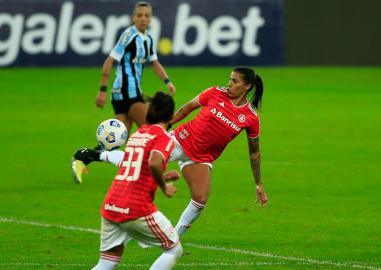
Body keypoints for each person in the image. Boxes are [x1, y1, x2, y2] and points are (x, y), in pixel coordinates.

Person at [81, 67, 268, 237]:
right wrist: (164, 128)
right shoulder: (214, 93)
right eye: (230, 79)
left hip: (202, 157)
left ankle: (174, 236)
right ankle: (97, 155)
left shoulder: (251, 117)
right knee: (142, 163)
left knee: (200, 200)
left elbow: (254, 153)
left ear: (247, 86)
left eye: (235, 81)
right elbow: (187, 108)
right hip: (180, 140)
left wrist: (258, 183)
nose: (229, 83)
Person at [74, 92, 182, 270]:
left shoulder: (138, 134)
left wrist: (162, 176)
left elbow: (134, 167)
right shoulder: (163, 138)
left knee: (107, 262)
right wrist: (164, 187)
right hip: (136, 208)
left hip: (111, 205)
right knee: (173, 250)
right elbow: (154, 161)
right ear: (171, 116)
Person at [72, 1, 176, 184]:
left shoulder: (148, 38)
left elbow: (155, 63)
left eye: (146, 16)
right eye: (139, 15)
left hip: (131, 92)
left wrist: (167, 81)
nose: (143, 19)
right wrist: (102, 90)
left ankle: (82, 158)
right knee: (154, 129)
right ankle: (152, 175)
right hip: (125, 92)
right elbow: (109, 61)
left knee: (116, 140)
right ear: (133, 17)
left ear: (150, 19)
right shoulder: (129, 35)